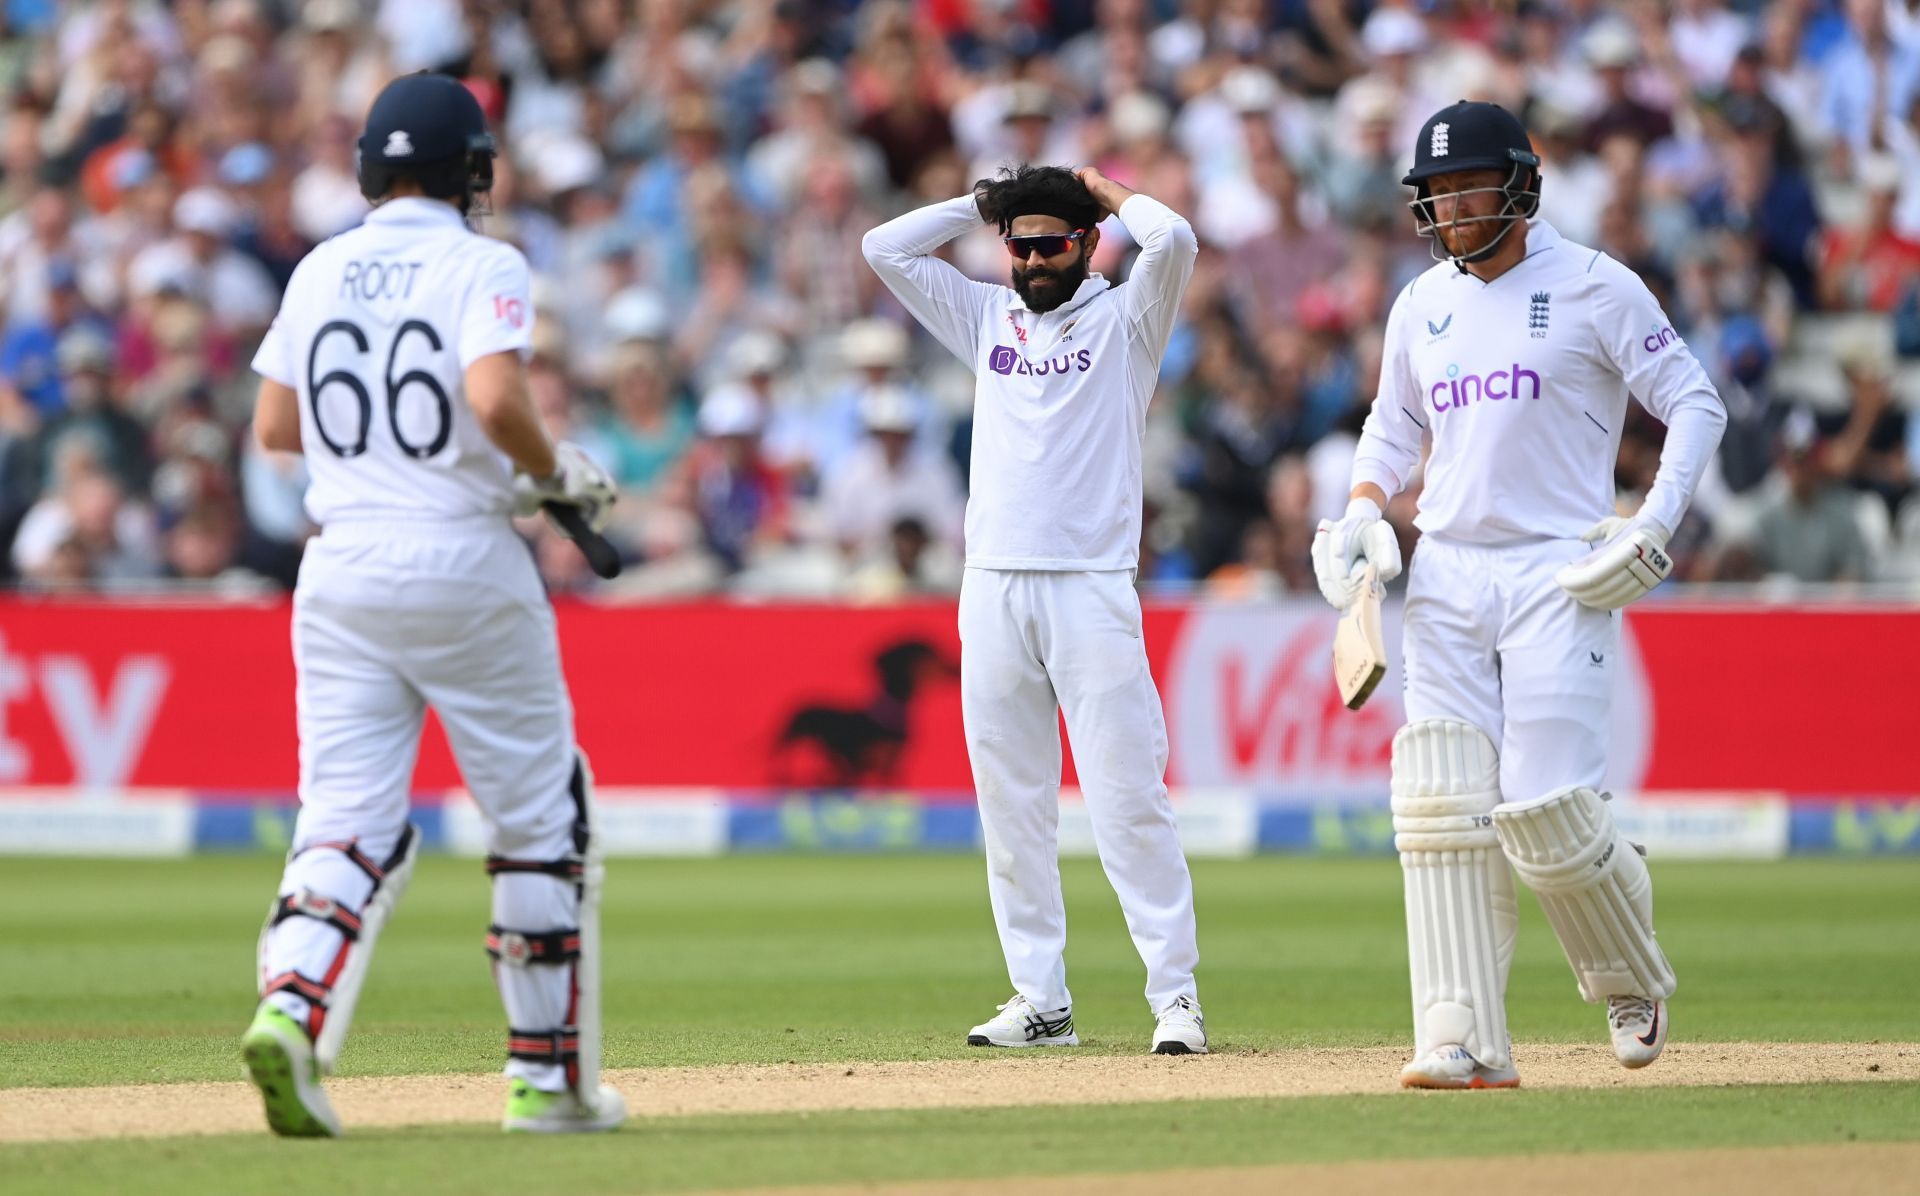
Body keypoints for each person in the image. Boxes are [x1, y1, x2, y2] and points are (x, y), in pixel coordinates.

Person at [239, 73, 624, 1137]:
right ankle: (545, 1082)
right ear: (474, 173)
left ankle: (290, 1009)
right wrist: (550, 476)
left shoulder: (319, 267)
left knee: (343, 823)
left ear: (370, 167)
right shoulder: (482, 261)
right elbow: (496, 396)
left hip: (342, 565)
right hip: (461, 561)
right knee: (541, 822)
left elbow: (278, 425)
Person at [1312, 101, 1727, 1089]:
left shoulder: (1595, 285)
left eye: (1468, 184)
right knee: (1444, 808)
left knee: (1546, 810)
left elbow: (1696, 402)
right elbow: (1392, 422)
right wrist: (1366, 507)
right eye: (1436, 190)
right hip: (1448, 572)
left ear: (1521, 187)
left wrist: (1652, 521)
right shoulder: (1420, 303)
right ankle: (1460, 1032)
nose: (1451, 204)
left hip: (1558, 569)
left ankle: (1629, 975)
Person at [862, 163, 1207, 1055]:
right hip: (994, 584)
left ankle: (1176, 998)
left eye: (1053, 242)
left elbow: (1176, 240)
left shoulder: (1128, 317)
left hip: (1090, 583)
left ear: (1088, 243)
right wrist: (981, 206)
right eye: (1019, 245)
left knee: (1127, 798)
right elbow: (883, 246)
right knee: (1011, 803)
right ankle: (1040, 999)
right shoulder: (985, 317)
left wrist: (1105, 185)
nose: (1034, 258)